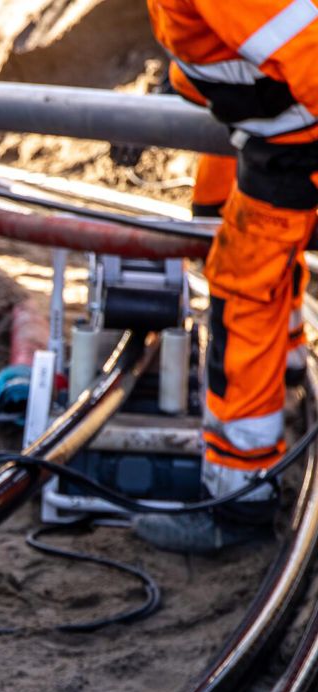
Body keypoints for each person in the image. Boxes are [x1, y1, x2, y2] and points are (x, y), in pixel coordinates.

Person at [136, 0, 318, 553]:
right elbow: (240, 49)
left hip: (296, 142)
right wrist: (176, 86)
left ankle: (238, 499)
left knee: (243, 291)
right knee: (219, 213)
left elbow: (306, 52)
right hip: (280, 130)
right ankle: (285, 360)